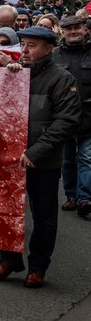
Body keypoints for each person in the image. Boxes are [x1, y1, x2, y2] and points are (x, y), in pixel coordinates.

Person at [0, 27, 80, 288]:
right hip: (9, 160)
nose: (25, 50)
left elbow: (66, 121)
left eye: (32, 46)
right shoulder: (13, 74)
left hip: (43, 161)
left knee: (44, 215)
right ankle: (9, 259)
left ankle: (38, 266)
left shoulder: (61, 79)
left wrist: (35, 152)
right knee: (6, 211)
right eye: (23, 44)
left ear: (49, 49)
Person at [52, 16, 91, 215]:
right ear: (62, 32)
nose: (73, 32)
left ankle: (85, 198)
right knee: (68, 160)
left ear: (85, 29)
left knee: (86, 158)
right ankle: (71, 196)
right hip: (64, 118)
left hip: (89, 118)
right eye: (69, 29)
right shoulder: (55, 55)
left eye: (77, 28)